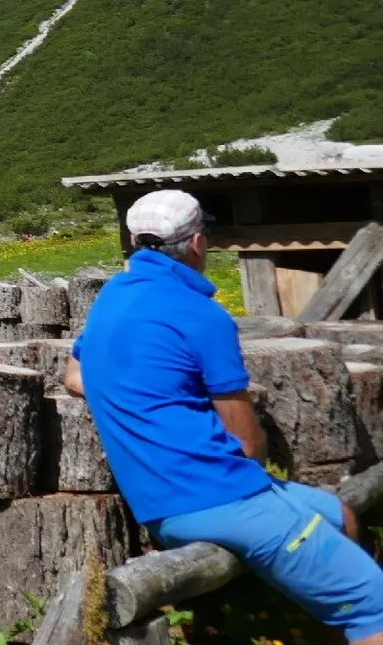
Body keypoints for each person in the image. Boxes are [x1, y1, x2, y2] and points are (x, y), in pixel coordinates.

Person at [67, 189, 383, 645]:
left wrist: (132, 391)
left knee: (337, 514)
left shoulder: (112, 297)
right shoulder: (201, 315)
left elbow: (74, 373)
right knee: (375, 606)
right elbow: (247, 442)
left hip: (162, 507)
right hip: (222, 497)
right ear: (197, 243)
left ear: (135, 240)